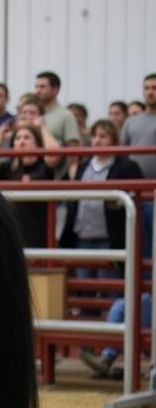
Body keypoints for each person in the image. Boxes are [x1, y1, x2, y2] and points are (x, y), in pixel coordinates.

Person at [59, 119, 143, 285]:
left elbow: (137, 197)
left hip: (109, 239)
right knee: (84, 289)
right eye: (95, 136)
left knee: (110, 289)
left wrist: (118, 203)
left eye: (103, 136)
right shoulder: (83, 166)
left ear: (113, 140)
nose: (97, 140)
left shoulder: (126, 166)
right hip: (82, 237)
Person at [0, 121, 59, 247]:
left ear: (37, 144)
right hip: (13, 231)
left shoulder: (44, 165)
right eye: (17, 138)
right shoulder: (8, 168)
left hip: (39, 232)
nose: (21, 141)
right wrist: (0, 137)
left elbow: (54, 155)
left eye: (27, 137)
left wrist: (42, 127)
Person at [122, 73, 156, 260]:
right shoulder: (131, 122)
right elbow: (122, 153)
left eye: (154, 88)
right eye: (147, 88)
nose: (150, 92)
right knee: (138, 243)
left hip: (154, 191)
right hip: (135, 193)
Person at [33, 71, 80, 145]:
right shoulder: (28, 113)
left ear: (56, 90)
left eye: (42, 87)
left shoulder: (66, 116)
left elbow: (73, 149)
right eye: (36, 87)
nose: (37, 91)